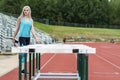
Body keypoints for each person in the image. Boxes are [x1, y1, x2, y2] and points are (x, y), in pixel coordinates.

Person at [12, 5, 39, 73]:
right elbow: (17, 28)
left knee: (26, 53)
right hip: (22, 37)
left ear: (29, 11)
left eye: (27, 10)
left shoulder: (31, 20)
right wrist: (14, 37)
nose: (26, 11)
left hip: (28, 38)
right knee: (23, 53)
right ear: (23, 11)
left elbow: (32, 29)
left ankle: (23, 68)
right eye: (24, 10)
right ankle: (22, 69)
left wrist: (36, 38)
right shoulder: (20, 18)